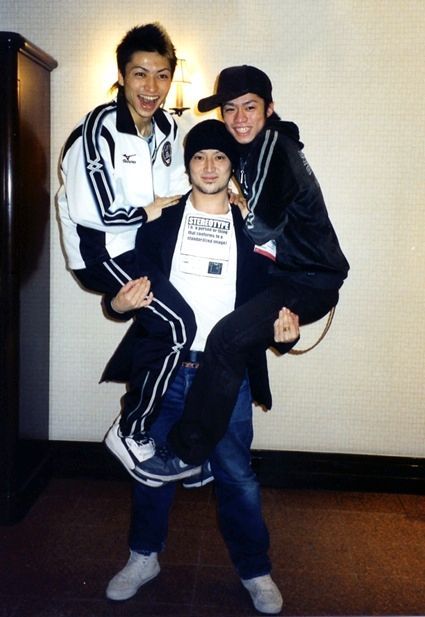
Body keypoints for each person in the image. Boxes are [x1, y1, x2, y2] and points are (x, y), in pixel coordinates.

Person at [104, 119, 299, 615]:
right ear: (188, 164)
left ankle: (255, 570)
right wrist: (119, 306)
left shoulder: (253, 228)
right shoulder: (158, 226)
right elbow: (124, 294)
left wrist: (287, 323)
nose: (209, 166)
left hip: (225, 370)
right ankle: (143, 558)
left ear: (232, 167)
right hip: (167, 368)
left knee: (237, 475)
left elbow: (275, 293)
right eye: (199, 158)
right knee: (152, 470)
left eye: (219, 158)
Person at [134, 64, 350, 484]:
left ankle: (188, 452)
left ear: (269, 109)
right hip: (296, 277)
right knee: (234, 337)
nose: (238, 119)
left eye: (249, 107)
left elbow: (263, 229)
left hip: (311, 279)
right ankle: (196, 452)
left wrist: (242, 206)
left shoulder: (272, 146)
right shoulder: (261, 152)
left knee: (226, 339)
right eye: (230, 109)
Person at [56, 23, 197, 479]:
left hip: (136, 249)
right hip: (101, 252)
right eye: (140, 74)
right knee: (179, 325)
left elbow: (176, 187)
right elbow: (93, 210)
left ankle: (153, 425)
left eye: (161, 76)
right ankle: (130, 429)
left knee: (171, 321)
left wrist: (224, 192)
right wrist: (150, 211)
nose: (151, 87)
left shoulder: (167, 127)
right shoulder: (97, 128)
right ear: (122, 75)